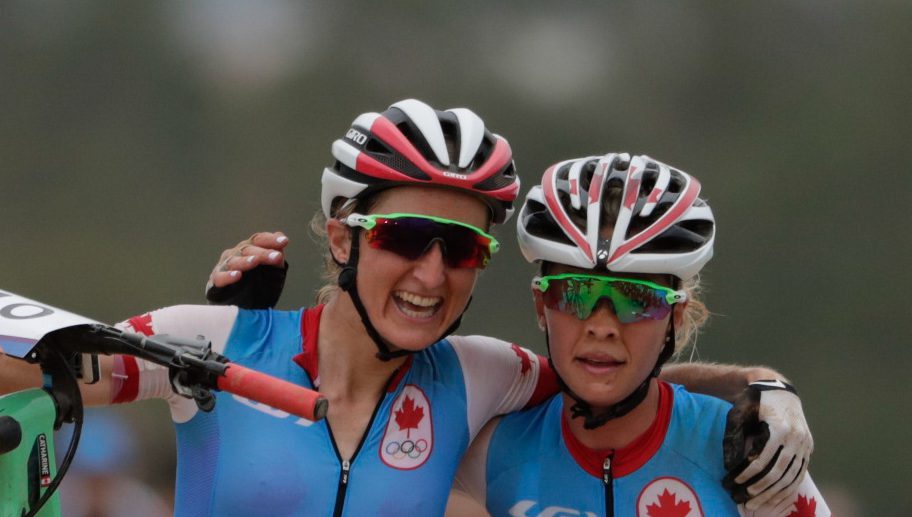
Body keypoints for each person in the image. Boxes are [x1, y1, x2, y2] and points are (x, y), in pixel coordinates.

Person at [0, 100, 810, 516]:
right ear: (343, 236)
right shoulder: (212, 337)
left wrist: (764, 388)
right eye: (406, 236)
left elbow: (609, 372)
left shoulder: (479, 375)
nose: (431, 272)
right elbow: (37, 368)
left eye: (461, 249)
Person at [448, 153, 829, 516]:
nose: (602, 327)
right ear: (540, 304)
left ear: (675, 317)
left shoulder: (750, 453)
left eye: (636, 299)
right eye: (575, 293)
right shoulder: (488, 454)